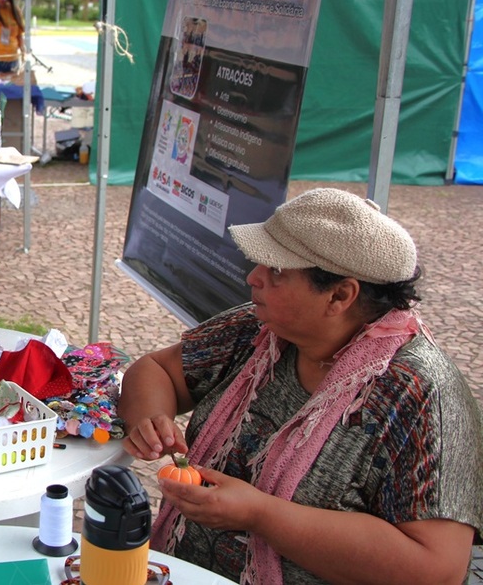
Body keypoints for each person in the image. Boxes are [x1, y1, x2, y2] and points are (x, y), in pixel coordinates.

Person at [119, 188, 483, 585]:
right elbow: (157, 369)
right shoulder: (263, 328)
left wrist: (261, 515)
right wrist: (151, 418)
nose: (253, 277)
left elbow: (439, 568)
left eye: (277, 271)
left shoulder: (421, 394)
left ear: (340, 295)